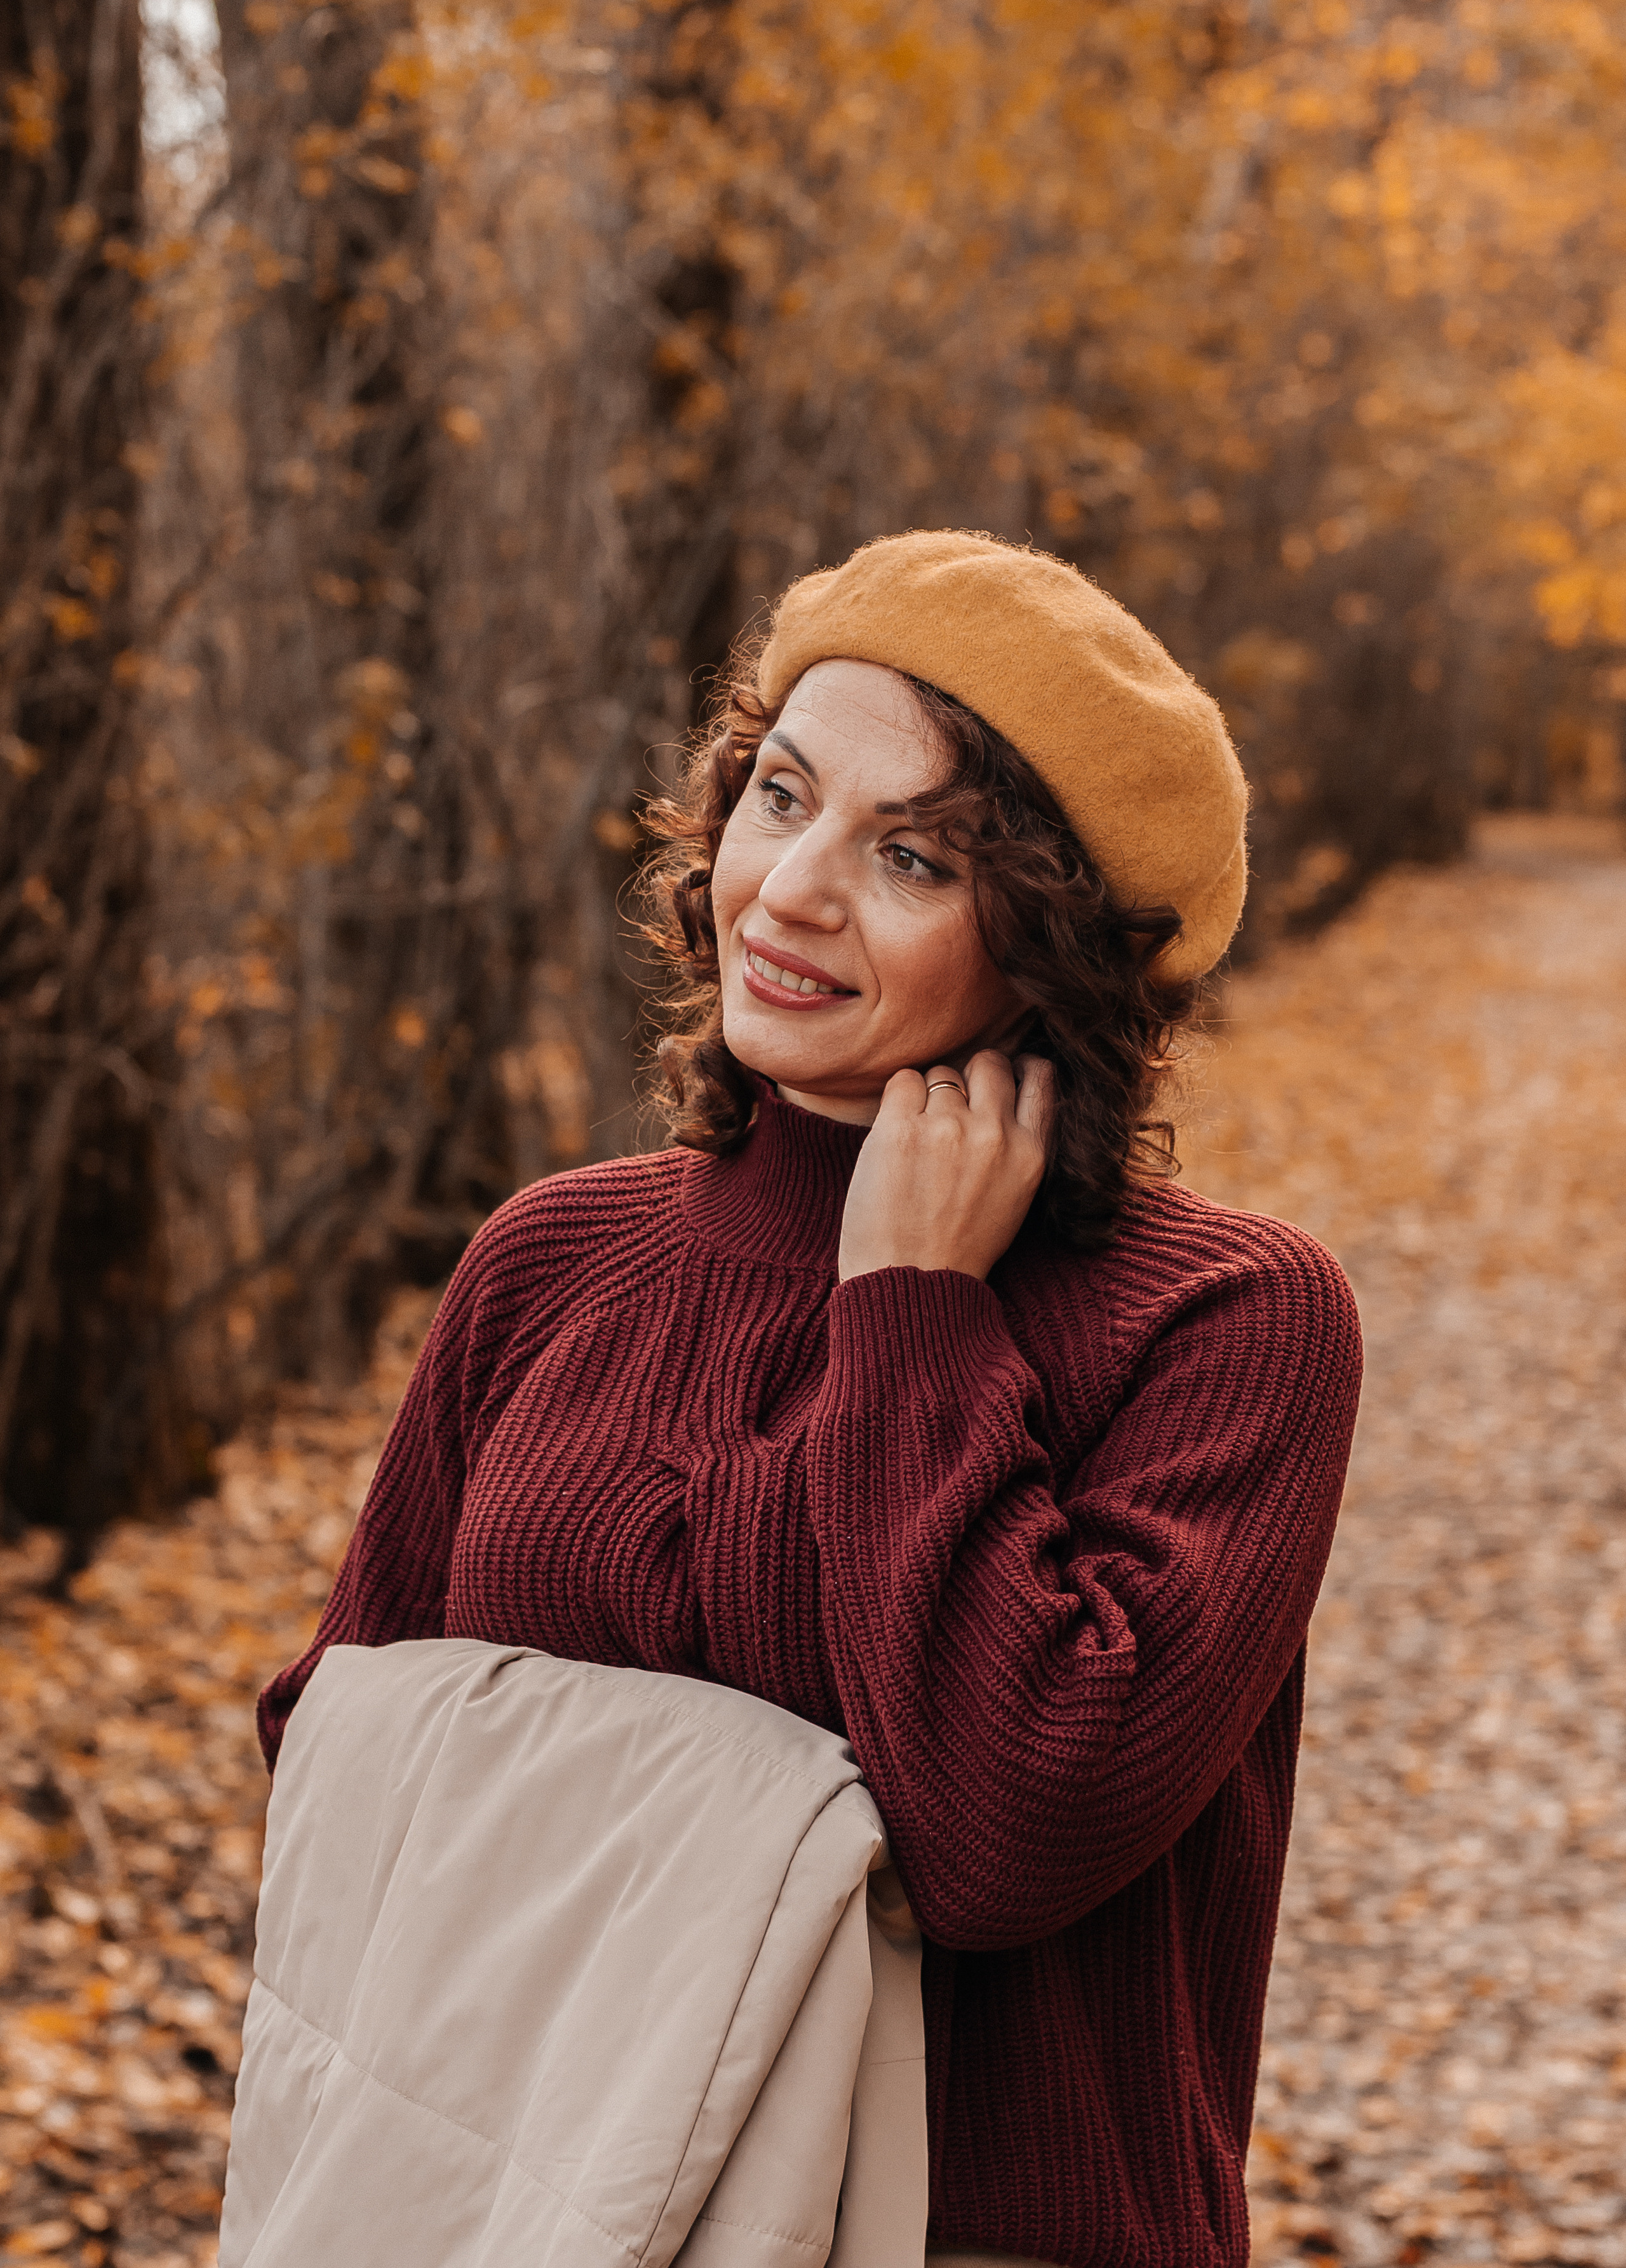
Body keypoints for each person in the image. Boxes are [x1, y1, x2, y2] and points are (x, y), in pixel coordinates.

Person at [259, 530, 1362, 2268]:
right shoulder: (549, 1260)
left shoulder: (1226, 1323)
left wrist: (914, 1309)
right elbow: (340, 1768)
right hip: (533, 2211)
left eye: (910, 853)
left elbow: (1009, 1835)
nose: (788, 888)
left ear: (1057, 946)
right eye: (780, 796)